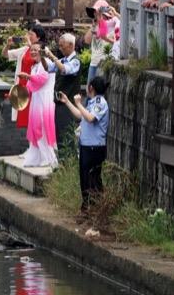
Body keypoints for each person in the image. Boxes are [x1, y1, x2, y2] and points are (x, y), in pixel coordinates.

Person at [59, 75, 109, 213]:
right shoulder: (92, 102)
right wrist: (68, 102)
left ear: (91, 87)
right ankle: (88, 207)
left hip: (95, 147)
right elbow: (81, 116)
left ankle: (93, 208)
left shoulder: (100, 103)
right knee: (85, 178)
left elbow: (91, 118)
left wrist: (79, 103)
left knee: (92, 179)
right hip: (87, 146)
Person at [17, 43, 57, 169]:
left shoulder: (47, 64)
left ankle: (49, 158)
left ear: (42, 51)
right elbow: (30, 86)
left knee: (42, 127)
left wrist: (28, 77)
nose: (33, 52)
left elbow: (42, 79)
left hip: (45, 100)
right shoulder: (35, 66)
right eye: (31, 50)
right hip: (36, 99)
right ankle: (35, 158)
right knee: (35, 128)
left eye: (36, 50)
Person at [2, 26, 42, 129]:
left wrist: (29, 43)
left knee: (34, 119)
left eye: (31, 35)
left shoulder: (42, 50)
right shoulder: (24, 50)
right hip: (22, 88)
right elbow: (5, 55)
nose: (28, 36)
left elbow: (37, 59)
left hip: (34, 89)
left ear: (38, 38)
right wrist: (8, 45)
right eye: (28, 34)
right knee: (24, 120)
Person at [45, 33, 81, 141]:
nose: (60, 48)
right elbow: (48, 68)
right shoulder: (63, 60)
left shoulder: (75, 61)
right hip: (59, 102)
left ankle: (69, 158)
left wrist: (52, 56)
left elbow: (64, 69)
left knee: (66, 135)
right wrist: (41, 56)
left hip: (69, 104)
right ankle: (62, 158)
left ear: (71, 45)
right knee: (60, 135)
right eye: (59, 46)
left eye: (62, 45)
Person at [85, 0, 121, 83]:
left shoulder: (114, 24)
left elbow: (118, 43)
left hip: (105, 63)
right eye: (95, 12)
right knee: (90, 92)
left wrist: (115, 14)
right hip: (93, 63)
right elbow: (87, 40)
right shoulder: (95, 26)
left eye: (98, 12)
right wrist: (94, 25)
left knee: (101, 91)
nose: (96, 14)